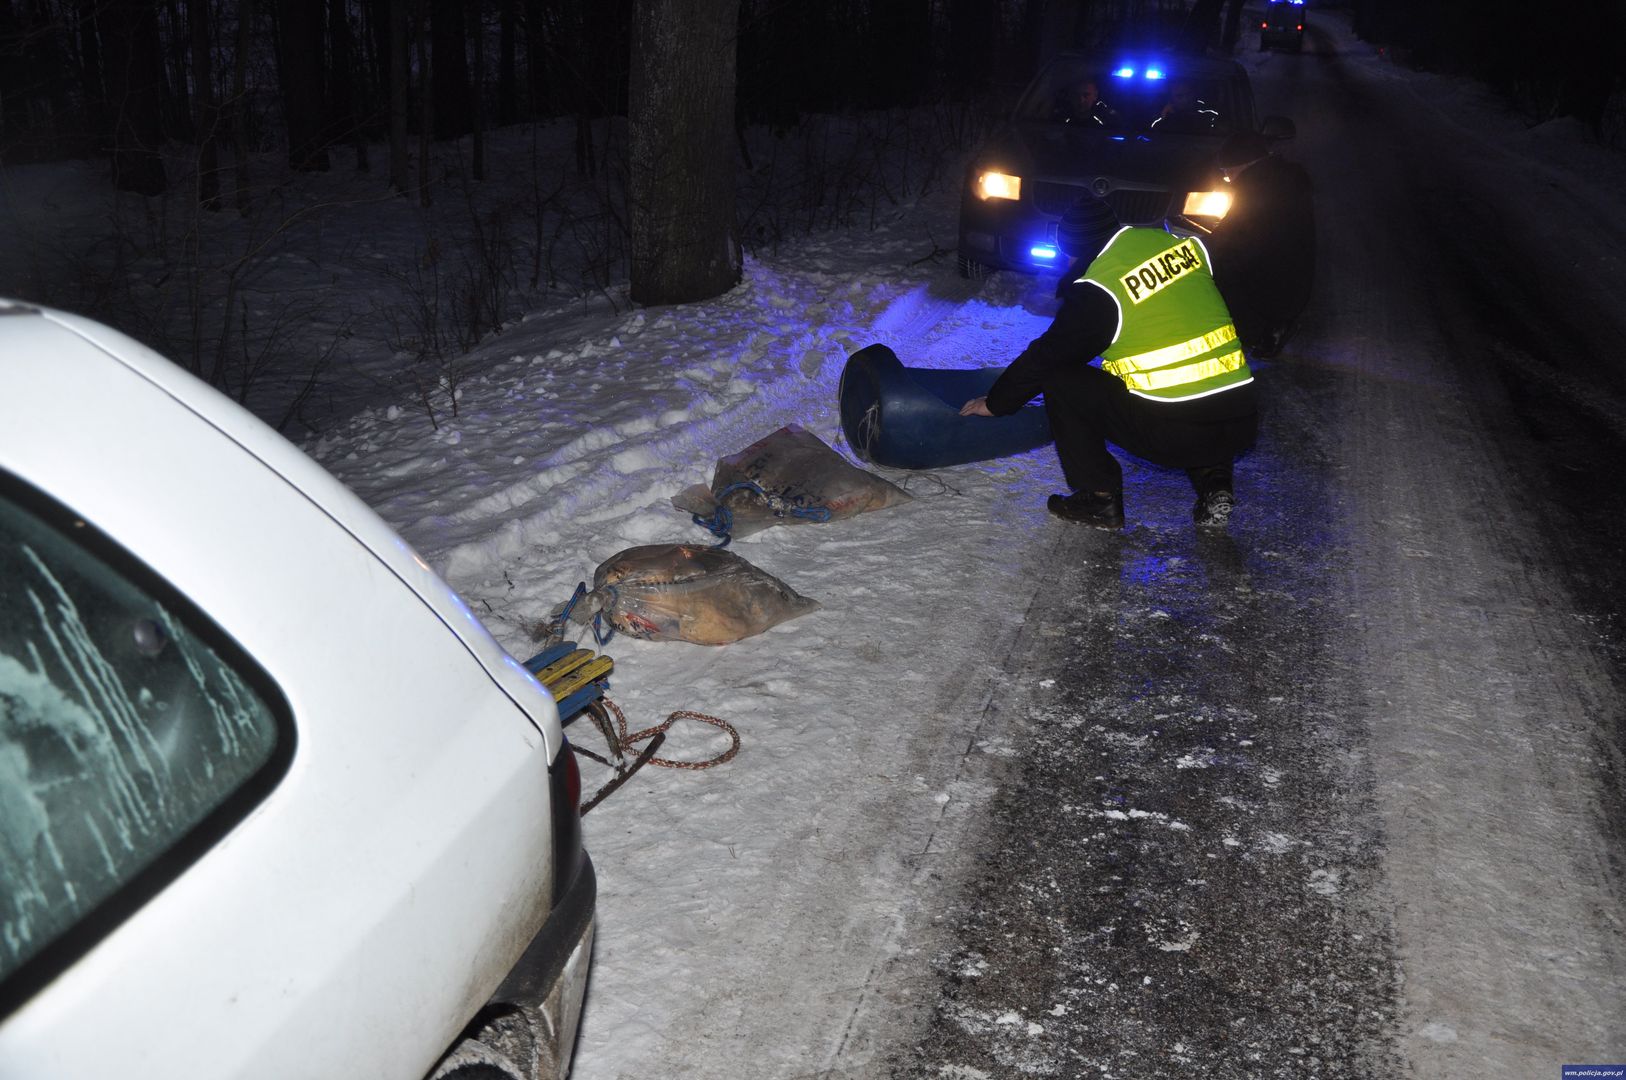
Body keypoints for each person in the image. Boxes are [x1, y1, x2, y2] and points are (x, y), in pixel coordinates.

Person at [958, 193, 1257, 529]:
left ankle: (1098, 498)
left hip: (1174, 434)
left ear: (1076, 248)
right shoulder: (1181, 246)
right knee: (1196, 389)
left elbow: (1048, 356)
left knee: (1063, 381)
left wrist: (997, 403)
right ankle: (1214, 478)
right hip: (1242, 419)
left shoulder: (1101, 288)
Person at [1206, 130, 1315, 358]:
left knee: (1218, 274)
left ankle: (1259, 333)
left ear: (1244, 165)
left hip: (1270, 281)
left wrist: (1198, 251)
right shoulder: (1284, 182)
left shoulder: (1255, 191)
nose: (1228, 178)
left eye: (1228, 172)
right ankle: (1273, 327)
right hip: (1293, 277)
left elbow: (1229, 236)